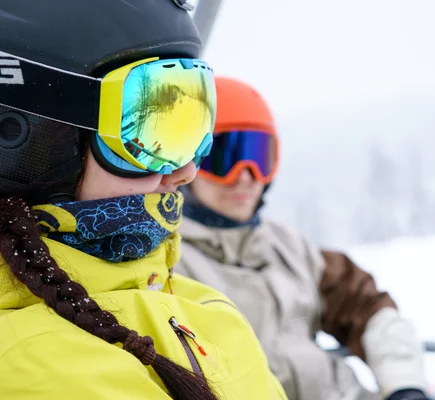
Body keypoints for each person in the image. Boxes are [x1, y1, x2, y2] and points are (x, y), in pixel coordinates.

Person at [0, 3, 286, 399]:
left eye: (193, 124)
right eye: (151, 130)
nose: (186, 171)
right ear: (23, 139)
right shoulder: (34, 364)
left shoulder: (202, 303)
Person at [178, 77, 430, 400]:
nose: (244, 175)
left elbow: (369, 309)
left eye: (258, 157)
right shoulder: (166, 262)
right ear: (188, 162)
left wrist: (404, 384)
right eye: (224, 156)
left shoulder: (290, 246)